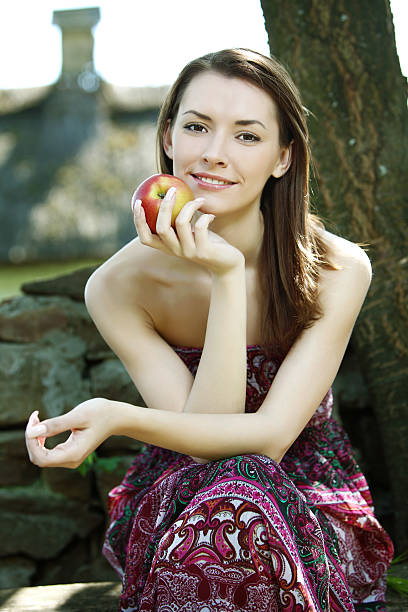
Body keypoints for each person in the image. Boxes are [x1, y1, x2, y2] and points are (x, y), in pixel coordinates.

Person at [26, 48, 393, 611]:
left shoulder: (339, 270)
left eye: (247, 136)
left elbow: (269, 441)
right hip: (188, 496)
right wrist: (225, 279)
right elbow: (206, 450)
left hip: (309, 493)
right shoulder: (117, 287)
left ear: (283, 158)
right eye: (197, 127)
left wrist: (118, 417)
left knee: (246, 494)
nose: (214, 154)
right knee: (229, 501)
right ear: (168, 136)